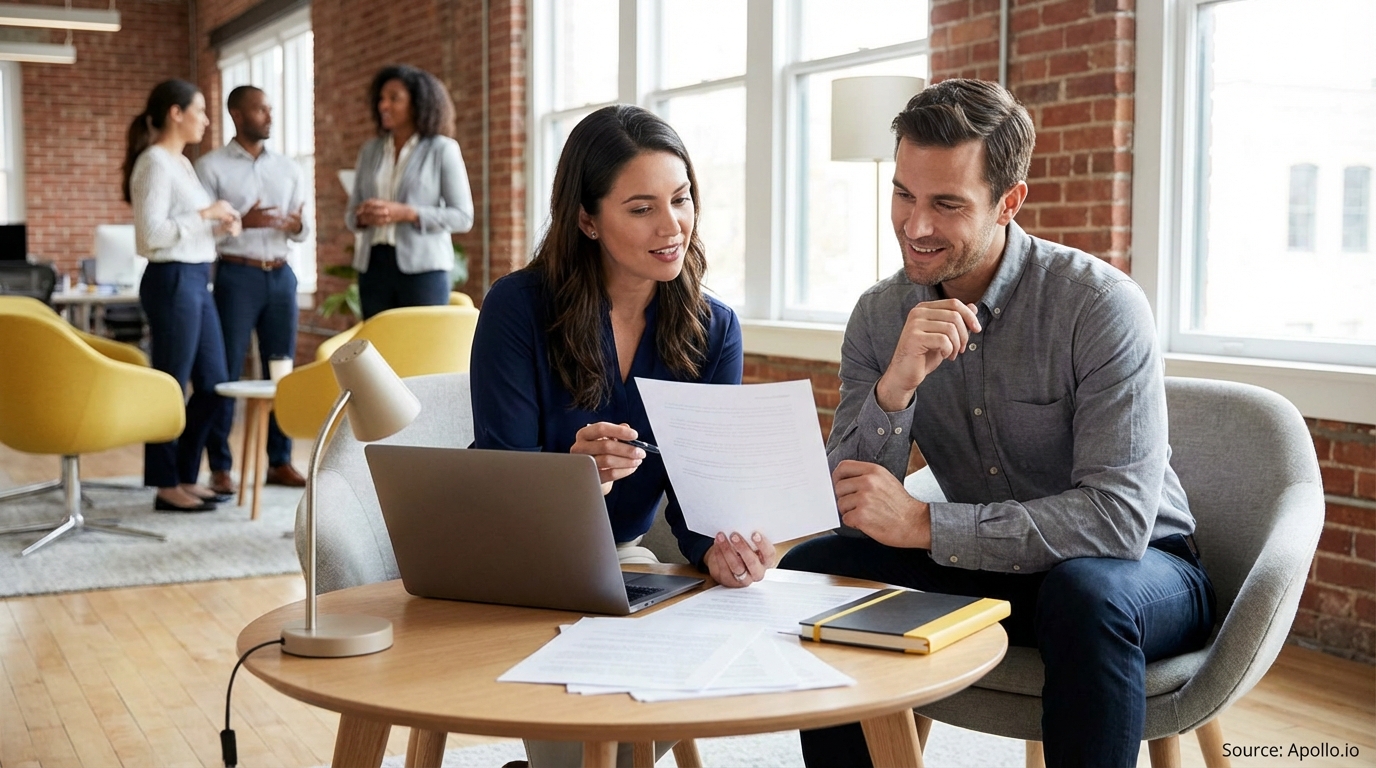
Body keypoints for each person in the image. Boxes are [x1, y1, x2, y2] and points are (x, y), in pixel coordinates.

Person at [778, 79, 1216, 768]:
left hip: (1137, 573)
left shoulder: (1098, 307)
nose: (915, 226)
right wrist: (894, 393)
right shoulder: (877, 316)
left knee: (1084, 594)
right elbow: (851, 503)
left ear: (1009, 202)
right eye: (904, 195)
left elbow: (1117, 520)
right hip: (993, 567)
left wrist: (925, 527)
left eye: (947, 204)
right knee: (815, 567)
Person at [469, 104, 775, 768]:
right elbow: (502, 478)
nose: (673, 227)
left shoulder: (712, 327)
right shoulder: (517, 307)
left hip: (620, 561)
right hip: (518, 560)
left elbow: (697, 501)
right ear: (586, 219)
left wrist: (718, 551)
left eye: (682, 198)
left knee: (719, 651)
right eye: (641, 209)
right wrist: (573, 477)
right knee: (585, 741)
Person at [123, 79, 241, 512]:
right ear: (176, 113)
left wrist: (218, 223)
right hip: (171, 280)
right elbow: (149, 236)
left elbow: (185, 226)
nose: (207, 120)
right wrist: (204, 213)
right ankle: (164, 483)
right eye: (200, 111)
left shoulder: (182, 163)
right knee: (171, 385)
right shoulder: (154, 162)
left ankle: (185, 475)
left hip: (196, 278)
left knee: (216, 383)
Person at [196, 85, 311, 492]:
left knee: (281, 370)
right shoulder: (210, 167)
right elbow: (202, 228)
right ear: (236, 114)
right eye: (260, 110)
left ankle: (279, 461)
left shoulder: (289, 168)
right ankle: (221, 466)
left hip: (281, 275)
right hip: (236, 275)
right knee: (224, 369)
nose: (269, 116)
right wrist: (245, 221)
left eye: (270, 109)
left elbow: (303, 227)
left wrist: (294, 225)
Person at [346, 64, 474, 319]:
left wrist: (406, 213)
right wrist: (363, 216)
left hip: (424, 270)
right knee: (377, 351)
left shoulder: (442, 149)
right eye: (381, 99)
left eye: (394, 98)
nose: (384, 105)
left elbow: (463, 217)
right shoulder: (370, 151)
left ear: (418, 102)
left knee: (420, 350)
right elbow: (351, 215)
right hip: (373, 266)